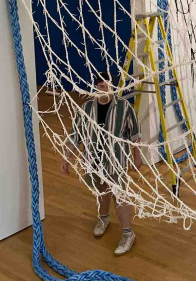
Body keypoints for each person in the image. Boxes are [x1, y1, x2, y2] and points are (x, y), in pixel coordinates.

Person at [61, 72, 142, 255]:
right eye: (100, 86)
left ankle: (128, 233)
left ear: (112, 87)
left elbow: (135, 135)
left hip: (116, 161)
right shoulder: (86, 108)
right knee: (101, 191)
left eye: (106, 85)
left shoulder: (124, 107)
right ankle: (104, 218)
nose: (103, 89)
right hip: (93, 161)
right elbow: (76, 136)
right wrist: (67, 157)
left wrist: (138, 157)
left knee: (120, 196)